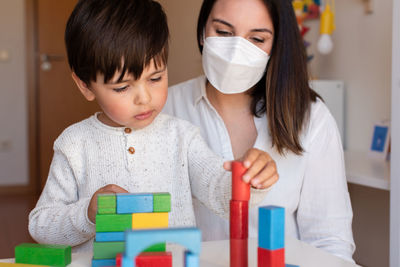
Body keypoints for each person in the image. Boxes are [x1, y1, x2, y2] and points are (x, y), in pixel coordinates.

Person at [28, 0, 278, 252]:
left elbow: (219, 191)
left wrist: (249, 179)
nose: (144, 98)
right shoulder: (74, 144)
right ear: (85, 85)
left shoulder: (182, 136)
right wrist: (88, 213)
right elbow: (41, 227)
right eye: (123, 87)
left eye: (156, 78)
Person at [163, 0, 355, 262]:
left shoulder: (311, 118)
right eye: (223, 32)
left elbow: (330, 242)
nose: (236, 51)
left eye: (257, 38)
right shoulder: (164, 109)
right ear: (202, 32)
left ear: (275, 45)